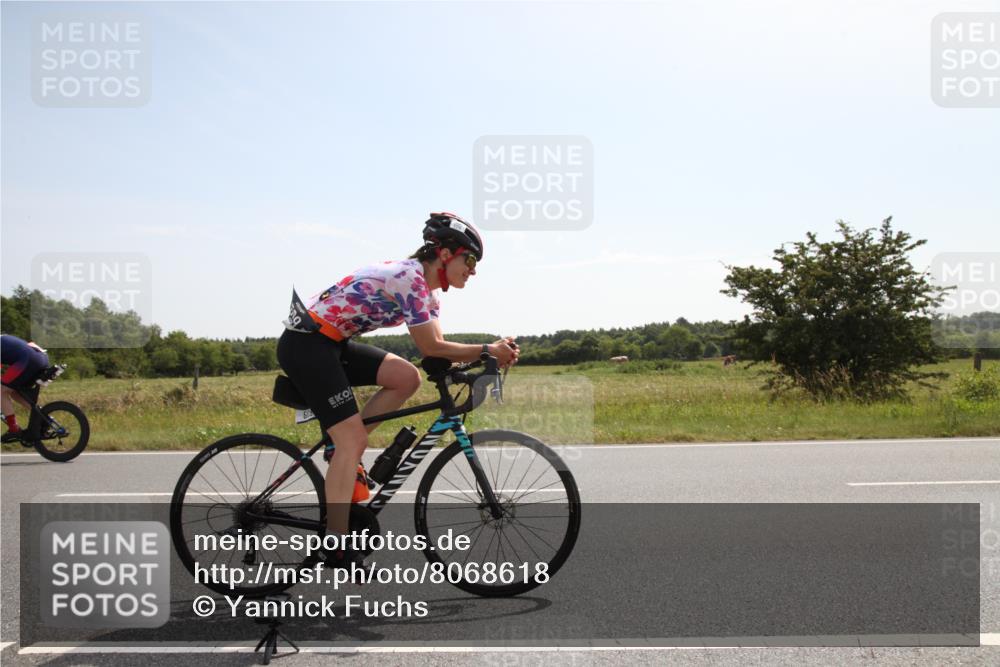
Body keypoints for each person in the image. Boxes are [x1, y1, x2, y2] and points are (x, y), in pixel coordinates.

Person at [277, 212, 519, 566]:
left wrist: (480, 363)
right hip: (307, 344)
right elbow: (432, 347)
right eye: (470, 259)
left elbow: (437, 357)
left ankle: (339, 446)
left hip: (333, 344)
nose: (473, 270)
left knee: (407, 378)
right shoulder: (409, 278)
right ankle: (336, 542)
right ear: (446, 253)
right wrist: (487, 350)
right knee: (353, 442)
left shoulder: (428, 295)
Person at [1, 334, 50, 443]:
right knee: (13, 391)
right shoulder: (3, 338)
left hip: (28, 360)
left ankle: (14, 429)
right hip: (41, 358)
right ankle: (43, 418)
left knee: (1, 392)